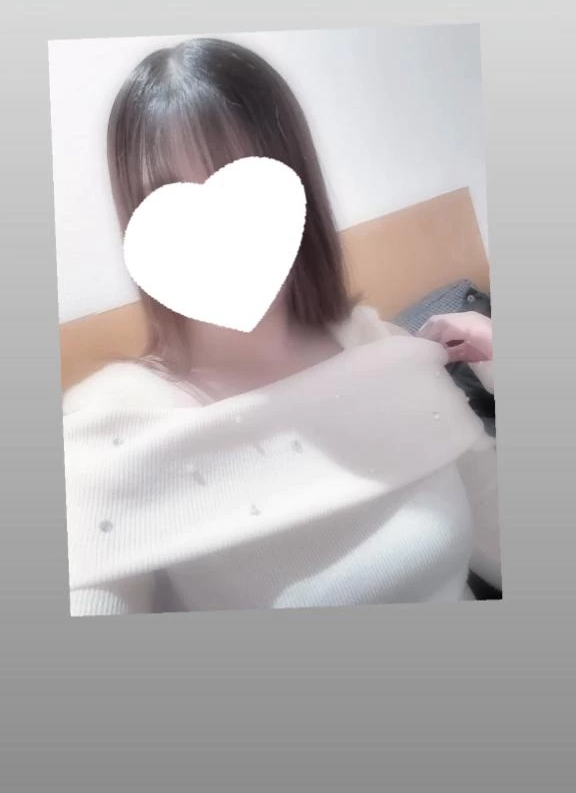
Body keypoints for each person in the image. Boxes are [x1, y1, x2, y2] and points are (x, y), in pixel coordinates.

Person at [63, 38, 497, 615]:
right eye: (169, 198)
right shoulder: (108, 434)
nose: (216, 235)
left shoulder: (383, 347)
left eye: (243, 187)